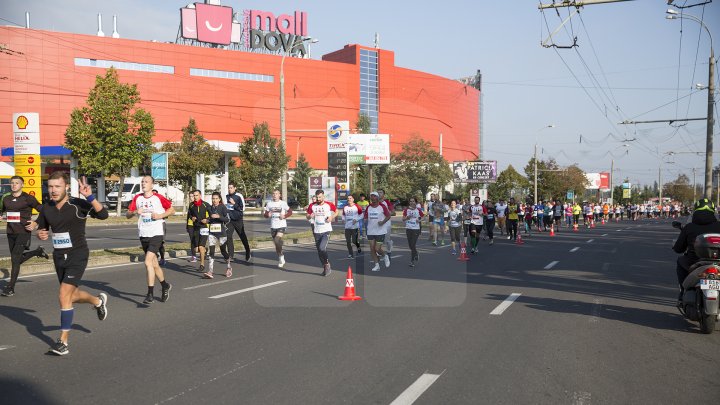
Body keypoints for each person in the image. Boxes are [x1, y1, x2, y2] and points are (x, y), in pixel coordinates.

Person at [34, 173, 109, 356]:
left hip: (78, 254)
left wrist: (89, 196)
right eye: (50, 187)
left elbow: (104, 215)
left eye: (57, 187)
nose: (53, 190)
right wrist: (40, 235)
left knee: (63, 294)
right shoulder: (46, 208)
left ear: (66, 187)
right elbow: (42, 229)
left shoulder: (77, 204)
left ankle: (63, 342)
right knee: (71, 295)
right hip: (59, 256)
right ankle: (98, 301)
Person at [126, 175, 174, 305]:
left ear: (152, 185)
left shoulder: (158, 197)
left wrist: (160, 215)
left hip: (156, 233)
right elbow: (127, 215)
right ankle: (164, 285)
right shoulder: (137, 197)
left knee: (147, 262)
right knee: (154, 264)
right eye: (142, 181)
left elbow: (171, 209)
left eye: (146, 182)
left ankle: (150, 294)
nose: (143, 183)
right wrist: (136, 211)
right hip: (143, 233)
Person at [0, 175, 49, 297]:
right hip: (10, 232)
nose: (14, 185)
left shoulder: (28, 198)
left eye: (17, 183)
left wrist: (35, 223)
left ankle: (10, 287)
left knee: (15, 259)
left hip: (24, 232)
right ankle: (37, 252)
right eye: (12, 183)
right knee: (16, 259)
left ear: (22, 185)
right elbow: (2, 210)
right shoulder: (6, 198)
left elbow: (43, 210)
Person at [672, 198, 720, 303]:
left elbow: (678, 249)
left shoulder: (689, 227)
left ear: (696, 210)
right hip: (718, 263)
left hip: (694, 263)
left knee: (680, 262)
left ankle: (682, 293)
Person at [306, 189, 337, 276]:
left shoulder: (328, 204)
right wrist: (309, 216)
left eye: (320, 197)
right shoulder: (312, 205)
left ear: (323, 196)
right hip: (316, 231)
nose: (318, 199)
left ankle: (327, 264)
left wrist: (332, 217)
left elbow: (336, 211)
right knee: (319, 251)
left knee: (322, 248)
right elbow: (307, 216)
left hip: (326, 230)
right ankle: (325, 267)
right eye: (317, 197)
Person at [204, 192, 232, 279]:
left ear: (219, 199)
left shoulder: (223, 207)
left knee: (223, 251)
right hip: (212, 232)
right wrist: (207, 220)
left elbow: (227, 220)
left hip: (222, 233)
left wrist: (218, 216)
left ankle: (229, 266)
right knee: (211, 252)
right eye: (213, 198)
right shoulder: (210, 208)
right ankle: (210, 271)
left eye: (216, 198)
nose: (214, 200)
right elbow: (210, 218)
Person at [264, 189, 293, 268]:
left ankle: (281, 256)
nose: (274, 195)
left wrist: (284, 216)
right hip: (273, 226)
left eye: (276, 193)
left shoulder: (283, 203)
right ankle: (281, 256)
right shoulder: (269, 204)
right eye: (273, 193)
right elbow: (265, 214)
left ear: (279, 195)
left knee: (276, 240)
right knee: (277, 245)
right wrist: (268, 215)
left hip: (281, 225)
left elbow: (290, 212)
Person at [364, 191, 392, 272]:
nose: (373, 198)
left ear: (377, 198)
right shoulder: (368, 207)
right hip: (370, 231)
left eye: (374, 196)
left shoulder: (382, 206)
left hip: (380, 231)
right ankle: (377, 265)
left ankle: (385, 255)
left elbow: (388, 216)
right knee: (372, 249)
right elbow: (365, 217)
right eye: (371, 197)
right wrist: (365, 220)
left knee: (377, 248)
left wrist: (382, 222)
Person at [226, 183, 252, 263]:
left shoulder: (239, 196)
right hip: (230, 220)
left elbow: (242, 208)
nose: (230, 189)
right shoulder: (227, 196)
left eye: (231, 188)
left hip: (238, 220)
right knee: (228, 236)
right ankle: (231, 255)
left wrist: (234, 204)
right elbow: (227, 207)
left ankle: (247, 251)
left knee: (242, 236)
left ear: (235, 188)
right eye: (229, 188)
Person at [188, 191, 211, 272]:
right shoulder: (191, 205)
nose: (195, 197)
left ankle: (202, 265)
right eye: (194, 195)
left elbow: (212, 215)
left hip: (204, 227)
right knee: (196, 249)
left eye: (196, 195)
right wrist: (192, 218)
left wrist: (207, 220)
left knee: (201, 247)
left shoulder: (205, 204)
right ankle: (205, 250)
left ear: (200, 195)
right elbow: (190, 214)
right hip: (196, 228)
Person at [402, 196, 423, 267]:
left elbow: (423, 216)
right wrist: (407, 218)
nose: (412, 202)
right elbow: (403, 219)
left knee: (413, 244)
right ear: (409, 202)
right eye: (410, 201)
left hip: (416, 229)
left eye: (413, 201)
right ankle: (416, 253)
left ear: (415, 202)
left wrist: (419, 220)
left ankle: (412, 261)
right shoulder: (406, 210)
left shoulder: (418, 210)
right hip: (408, 228)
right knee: (410, 245)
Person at [377, 189, 395, 254]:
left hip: (386, 224)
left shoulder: (387, 202)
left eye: (380, 192)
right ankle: (378, 252)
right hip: (378, 224)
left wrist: (386, 213)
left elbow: (394, 213)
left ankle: (389, 245)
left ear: (384, 194)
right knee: (378, 240)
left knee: (386, 240)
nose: (379, 193)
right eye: (378, 192)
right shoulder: (374, 203)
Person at [185, 191, 198, 263]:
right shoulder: (190, 205)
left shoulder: (201, 204)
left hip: (198, 225)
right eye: (190, 196)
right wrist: (187, 225)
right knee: (192, 240)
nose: (191, 198)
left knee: (198, 240)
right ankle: (194, 256)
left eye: (192, 196)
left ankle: (204, 249)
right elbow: (188, 215)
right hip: (190, 224)